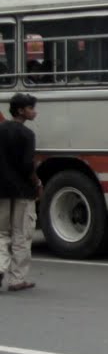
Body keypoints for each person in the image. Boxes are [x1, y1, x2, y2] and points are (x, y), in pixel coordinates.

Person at [0, 93, 42, 292]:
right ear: (20, 111)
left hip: (1, 190)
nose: (34, 111)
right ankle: (17, 279)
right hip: (23, 191)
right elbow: (27, 166)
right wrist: (37, 183)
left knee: (1, 233)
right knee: (21, 234)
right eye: (30, 108)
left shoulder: (0, 129)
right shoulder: (27, 135)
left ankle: (0, 266)